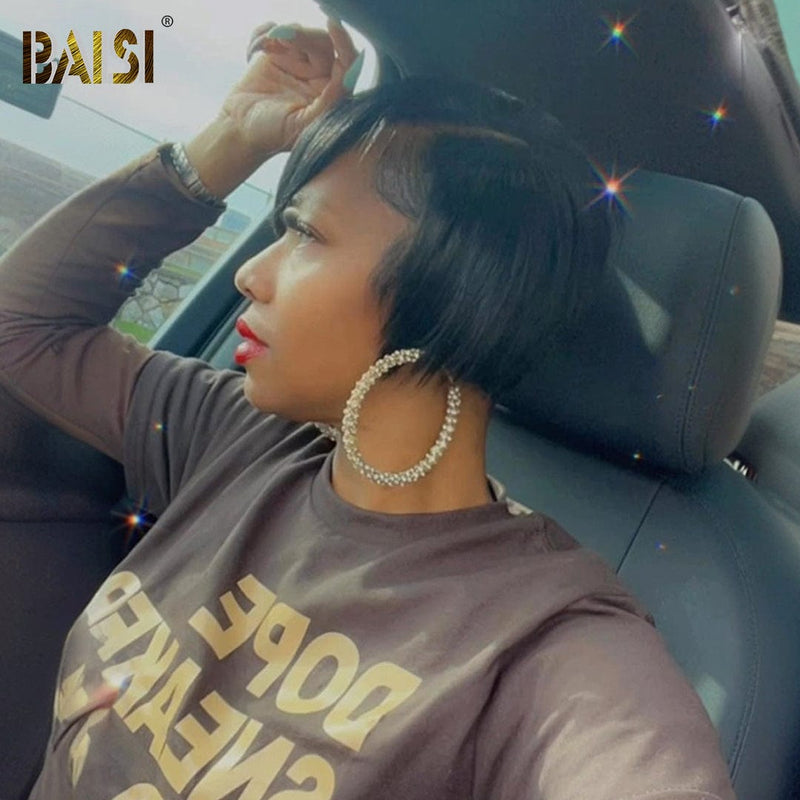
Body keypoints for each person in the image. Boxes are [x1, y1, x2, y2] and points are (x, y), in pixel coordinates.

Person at [0, 17, 736, 800]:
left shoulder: (544, 641)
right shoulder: (234, 439)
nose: (250, 273)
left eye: (304, 232)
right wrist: (231, 139)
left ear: (449, 292)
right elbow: (23, 327)